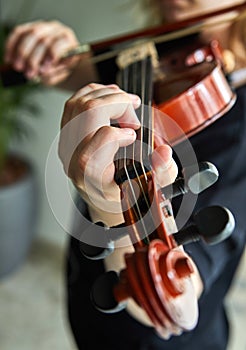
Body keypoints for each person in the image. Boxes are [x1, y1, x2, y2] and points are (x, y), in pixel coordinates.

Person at [4, 1, 246, 349]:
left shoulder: (240, 133)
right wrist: (60, 58)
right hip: (91, 297)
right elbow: (97, 77)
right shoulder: (164, 45)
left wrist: (112, 205)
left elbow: (177, 294)